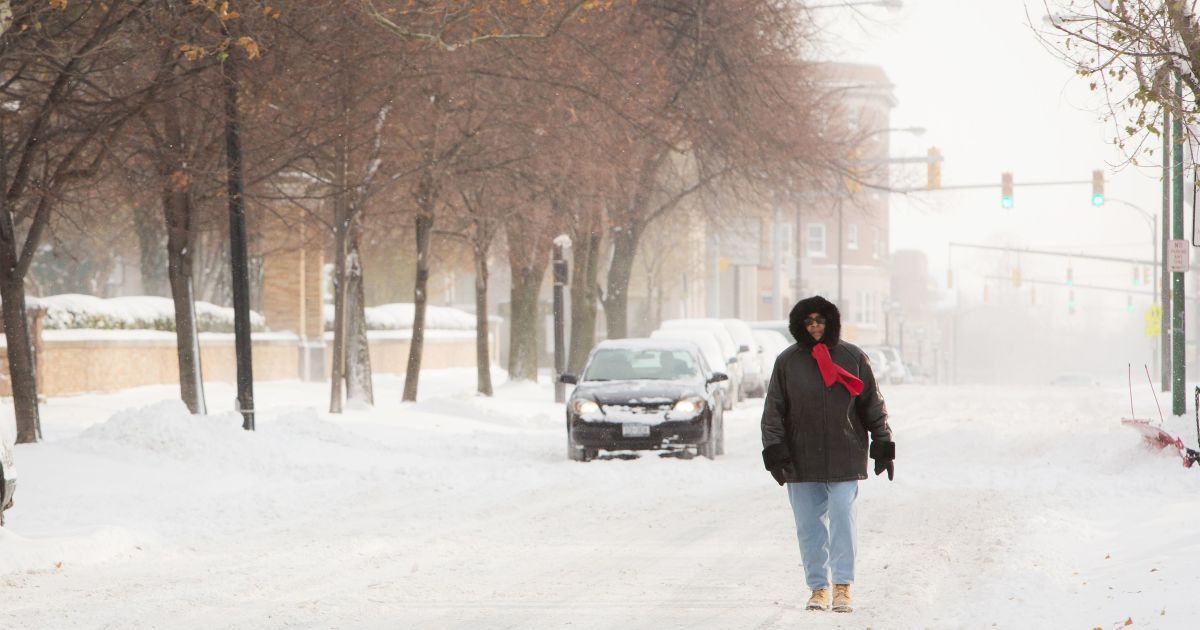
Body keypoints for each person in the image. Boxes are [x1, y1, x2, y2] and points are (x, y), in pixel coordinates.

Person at [760, 295, 894, 614]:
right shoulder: (787, 362)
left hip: (845, 453)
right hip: (800, 457)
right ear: (800, 326)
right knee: (808, 526)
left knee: (843, 519)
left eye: (821, 321)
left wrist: (882, 442)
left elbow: (872, 404)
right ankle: (818, 587)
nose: (815, 327)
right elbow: (773, 411)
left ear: (831, 322)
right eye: (809, 322)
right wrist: (775, 451)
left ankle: (843, 585)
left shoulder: (853, 357)